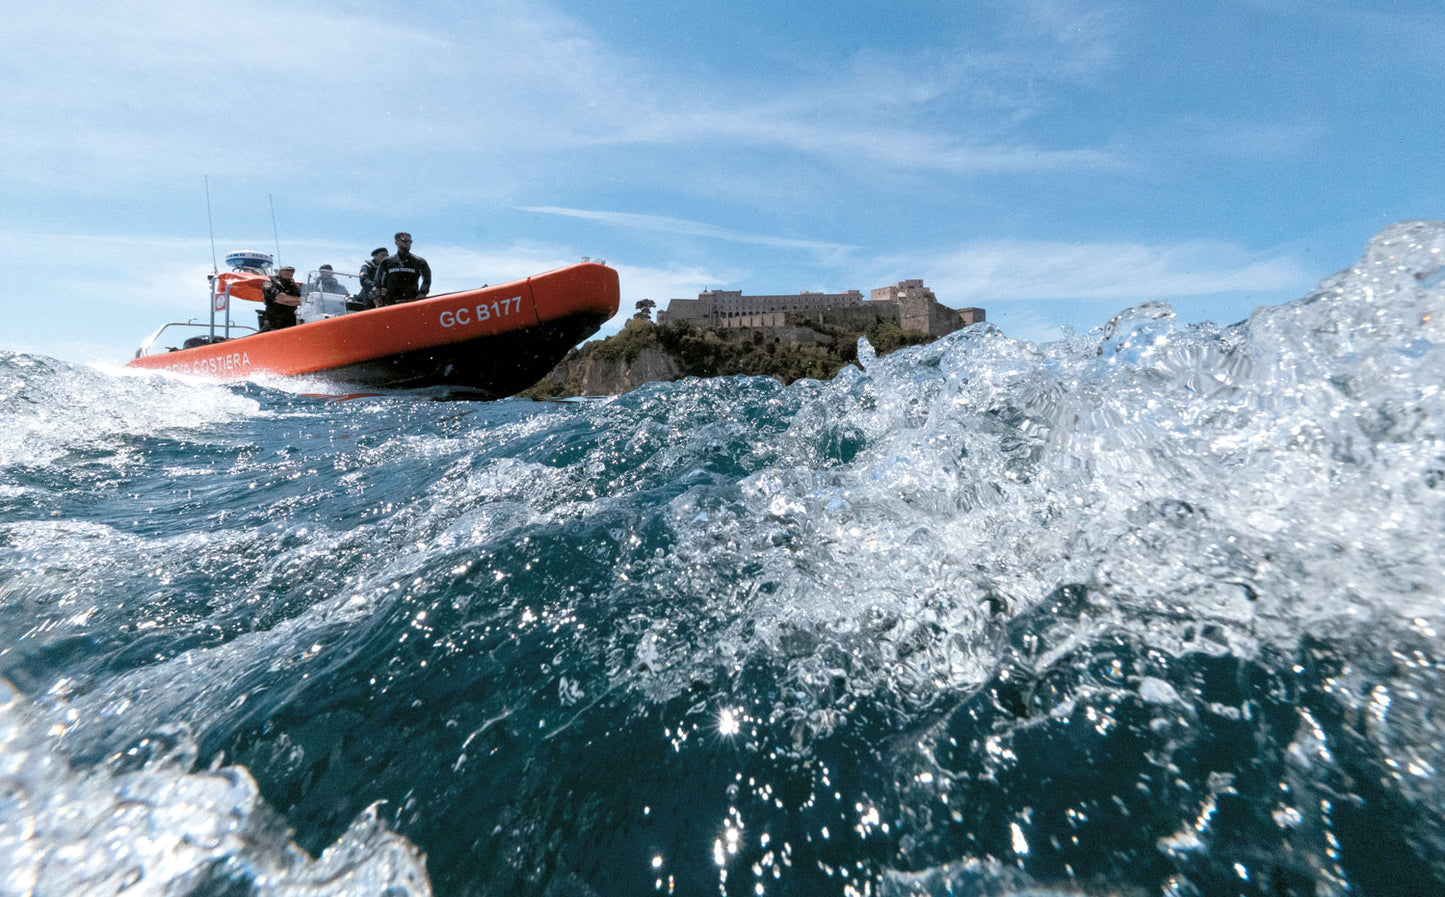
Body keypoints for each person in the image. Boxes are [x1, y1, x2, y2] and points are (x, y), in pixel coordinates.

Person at [373, 232, 431, 306]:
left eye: (410, 242)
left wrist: (423, 292)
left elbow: (427, 278)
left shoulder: (419, 261)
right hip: (390, 301)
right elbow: (377, 280)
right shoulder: (387, 261)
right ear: (396, 242)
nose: (407, 243)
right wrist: (376, 295)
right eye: (404, 241)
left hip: (412, 300)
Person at [260, 265, 302, 331]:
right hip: (274, 321)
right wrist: (297, 299)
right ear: (280, 272)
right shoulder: (267, 283)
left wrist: (287, 301)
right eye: (287, 271)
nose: (290, 273)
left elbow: (303, 301)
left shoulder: (295, 287)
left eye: (292, 272)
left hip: (291, 321)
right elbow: (279, 297)